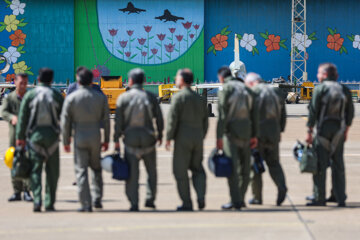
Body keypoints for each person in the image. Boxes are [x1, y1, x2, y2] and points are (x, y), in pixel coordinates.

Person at [114, 68, 164, 211]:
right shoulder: (151, 97)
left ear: (130, 81)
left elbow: (118, 121)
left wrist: (116, 138)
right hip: (148, 138)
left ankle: (134, 202)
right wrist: (160, 134)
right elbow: (159, 118)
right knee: (151, 172)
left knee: (132, 173)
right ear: (144, 81)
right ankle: (150, 199)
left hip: (130, 139)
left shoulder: (123, 98)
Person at [61, 68, 110, 212]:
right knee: (96, 168)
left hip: (79, 135)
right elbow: (106, 120)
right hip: (95, 135)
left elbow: (65, 121)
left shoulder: (71, 97)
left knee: (81, 170)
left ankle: (85, 203)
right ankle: (97, 199)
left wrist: (66, 140)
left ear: (79, 80)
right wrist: (107, 139)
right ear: (91, 81)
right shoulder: (100, 97)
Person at [306, 63, 354, 207]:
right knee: (338, 165)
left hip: (322, 131)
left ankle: (319, 197)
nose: (317, 76)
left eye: (319, 73)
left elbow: (313, 112)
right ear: (336, 76)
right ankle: (339, 197)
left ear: (325, 75)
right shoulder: (344, 90)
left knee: (320, 165)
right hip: (339, 131)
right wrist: (345, 131)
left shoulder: (320, 89)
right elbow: (350, 113)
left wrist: (309, 132)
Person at [16, 68, 64, 212]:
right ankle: (49, 203)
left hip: (34, 138)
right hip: (53, 138)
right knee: (52, 172)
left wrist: (20, 137)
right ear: (51, 80)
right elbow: (65, 116)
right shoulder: (56, 95)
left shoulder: (30, 95)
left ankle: (37, 200)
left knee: (35, 170)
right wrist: (67, 137)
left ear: (38, 79)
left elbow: (23, 118)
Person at [165, 69, 208, 211]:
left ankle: (187, 202)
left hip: (183, 138)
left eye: (177, 77)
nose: (175, 79)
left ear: (182, 80)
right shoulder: (200, 99)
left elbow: (172, 120)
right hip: (198, 137)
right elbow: (205, 122)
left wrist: (168, 138)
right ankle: (201, 197)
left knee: (180, 171)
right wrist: (201, 136)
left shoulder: (178, 98)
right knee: (198, 169)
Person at [216, 66, 258, 210]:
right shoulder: (246, 88)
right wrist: (254, 134)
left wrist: (219, 136)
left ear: (221, 78)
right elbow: (254, 113)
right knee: (245, 168)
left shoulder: (225, 89)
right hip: (247, 133)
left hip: (231, 133)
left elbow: (222, 115)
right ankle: (241, 197)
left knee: (232, 168)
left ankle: (235, 200)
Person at [245, 73, 287, 206]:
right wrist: (280, 130)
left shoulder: (252, 93)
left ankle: (257, 197)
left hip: (258, 134)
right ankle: (281, 186)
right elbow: (283, 113)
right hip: (273, 132)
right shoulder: (276, 91)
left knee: (255, 165)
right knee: (274, 163)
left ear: (251, 83)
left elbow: (249, 115)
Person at [1, 73, 33, 202]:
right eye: (21, 83)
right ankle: (16, 191)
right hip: (14, 135)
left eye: (25, 83)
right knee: (14, 162)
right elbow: (3, 112)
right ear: (15, 82)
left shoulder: (30, 97)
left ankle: (27, 191)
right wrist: (11, 118)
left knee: (27, 162)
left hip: (28, 136)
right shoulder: (10, 98)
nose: (23, 85)